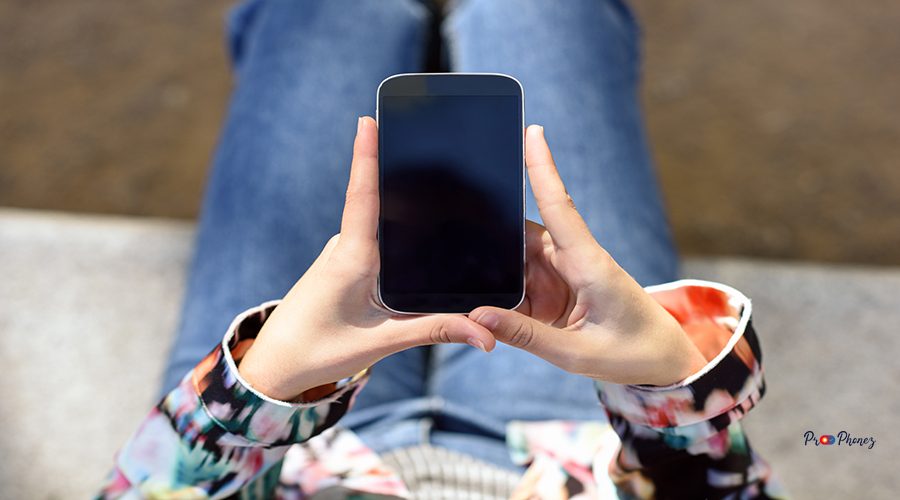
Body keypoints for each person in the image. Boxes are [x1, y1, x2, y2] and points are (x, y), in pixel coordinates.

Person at [99, 0, 786, 498]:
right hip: (570, 446)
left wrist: (262, 392)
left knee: (329, 16)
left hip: (296, 457)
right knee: (550, 14)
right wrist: (669, 380)